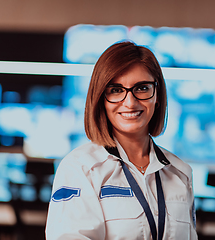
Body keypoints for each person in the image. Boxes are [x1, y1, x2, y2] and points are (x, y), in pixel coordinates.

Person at [45, 41, 198, 240]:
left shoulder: (180, 173)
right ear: (101, 98)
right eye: (116, 90)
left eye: (142, 88)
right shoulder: (80, 169)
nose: (130, 102)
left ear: (157, 95)